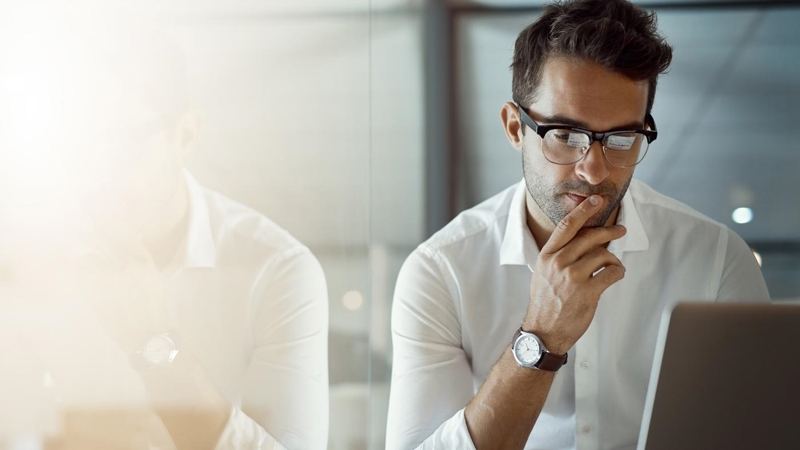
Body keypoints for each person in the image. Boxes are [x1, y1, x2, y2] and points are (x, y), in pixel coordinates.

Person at [386, 1, 769, 449]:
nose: (594, 170)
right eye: (566, 136)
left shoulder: (716, 261)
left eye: (622, 139)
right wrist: (541, 338)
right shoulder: (441, 271)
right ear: (515, 128)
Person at [0, 10, 328, 450]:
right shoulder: (26, 259)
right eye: (79, 143)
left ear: (185, 135)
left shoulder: (276, 271)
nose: (94, 169)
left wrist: (152, 342)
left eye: (121, 137)